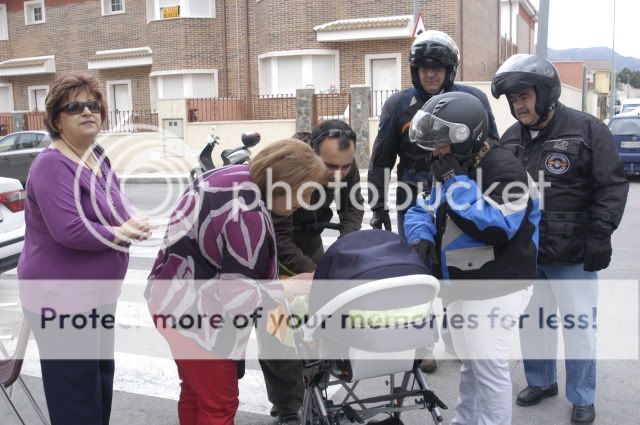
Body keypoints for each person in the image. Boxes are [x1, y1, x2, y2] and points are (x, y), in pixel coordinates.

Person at [145, 139, 328, 425]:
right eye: (301, 193)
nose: (302, 203)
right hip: (197, 317)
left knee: (195, 392)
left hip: (167, 296)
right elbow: (237, 297)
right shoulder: (249, 217)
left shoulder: (230, 175)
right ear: (283, 184)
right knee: (219, 403)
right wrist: (291, 287)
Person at [491, 54, 629, 424]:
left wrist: (601, 233)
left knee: (579, 329)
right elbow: (496, 193)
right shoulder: (509, 139)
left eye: (524, 95)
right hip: (527, 254)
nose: (518, 104)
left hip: (574, 255)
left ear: (546, 93)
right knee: (534, 323)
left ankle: (582, 396)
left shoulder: (587, 130)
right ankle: (541, 381)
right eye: (513, 99)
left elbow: (612, 185)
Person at [17, 73, 151, 425]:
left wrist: (132, 220)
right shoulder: (50, 165)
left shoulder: (98, 155)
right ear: (56, 119)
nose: (87, 111)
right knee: (75, 400)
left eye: (93, 105)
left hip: (97, 295)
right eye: (75, 106)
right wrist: (121, 232)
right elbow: (70, 230)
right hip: (61, 300)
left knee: (98, 386)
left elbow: (116, 202)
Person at [404, 91, 541, 425]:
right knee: (471, 362)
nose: (435, 151)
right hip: (464, 283)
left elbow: (497, 227)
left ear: (465, 137)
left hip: (499, 286)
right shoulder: (456, 164)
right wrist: (420, 236)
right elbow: (423, 207)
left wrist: (454, 183)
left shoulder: (503, 168)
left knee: (489, 367)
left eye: (441, 143)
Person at [261, 120, 364, 425]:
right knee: (278, 327)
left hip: (312, 240)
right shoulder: (291, 168)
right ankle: (287, 406)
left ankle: (317, 390)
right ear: (311, 152)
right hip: (278, 247)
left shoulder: (344, 162)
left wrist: (343, 250)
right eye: (330, 166)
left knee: (322, 320)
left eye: (344, 168)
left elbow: (352, 207)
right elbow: (279, 237)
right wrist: (316, 273)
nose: (337, 175)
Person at [367, 30, 499, 239]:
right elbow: (381, 160)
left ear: (449, 69)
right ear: (415, 70)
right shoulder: (397, 105)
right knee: (416, 265)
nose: (430, 74)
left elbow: (492, 149)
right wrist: (378, 207)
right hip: (412, 200)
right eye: (424, 67)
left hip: (462, 195)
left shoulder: (473, 100)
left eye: (437, 68)